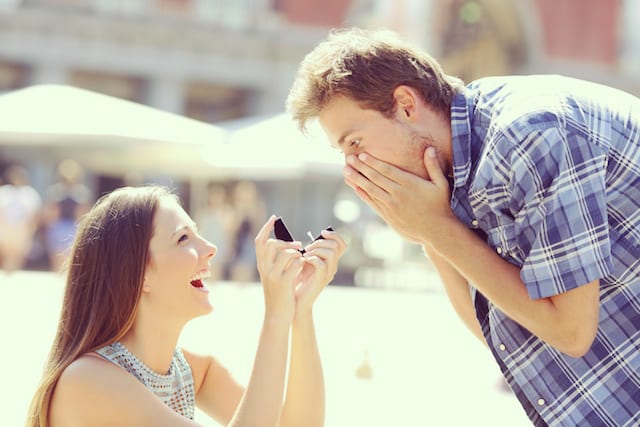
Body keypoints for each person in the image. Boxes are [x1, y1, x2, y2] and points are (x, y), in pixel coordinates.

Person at [286, 27, 640, 426]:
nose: (353, 167)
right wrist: (428, 232)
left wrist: (437, 229)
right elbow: (506, 336)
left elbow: (571, 331)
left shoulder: (528, 135)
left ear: (405, 104)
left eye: (355, 143)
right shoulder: (463, 166)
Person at [25, 185, 346, 427]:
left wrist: (299, 311)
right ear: (138, 274)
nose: (210, 248)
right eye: (183, 239)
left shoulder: (189, 372)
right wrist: (275, 316)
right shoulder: (87, 380)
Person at [42, 159, 92, 272]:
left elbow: (82, 212)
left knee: (69, 258)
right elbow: (51, 212)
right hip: (61, 226)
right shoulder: (58, 191)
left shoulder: (79, 192)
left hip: (71, 227)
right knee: (58, 257)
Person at [0, 164, 42, 273]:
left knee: (19, 254)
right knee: (6, 253)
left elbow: (34, 214)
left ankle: (14, 273)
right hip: (6, 228)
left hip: (23, 229)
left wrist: (32, 228)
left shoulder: (29, 193)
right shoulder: (4, 192)